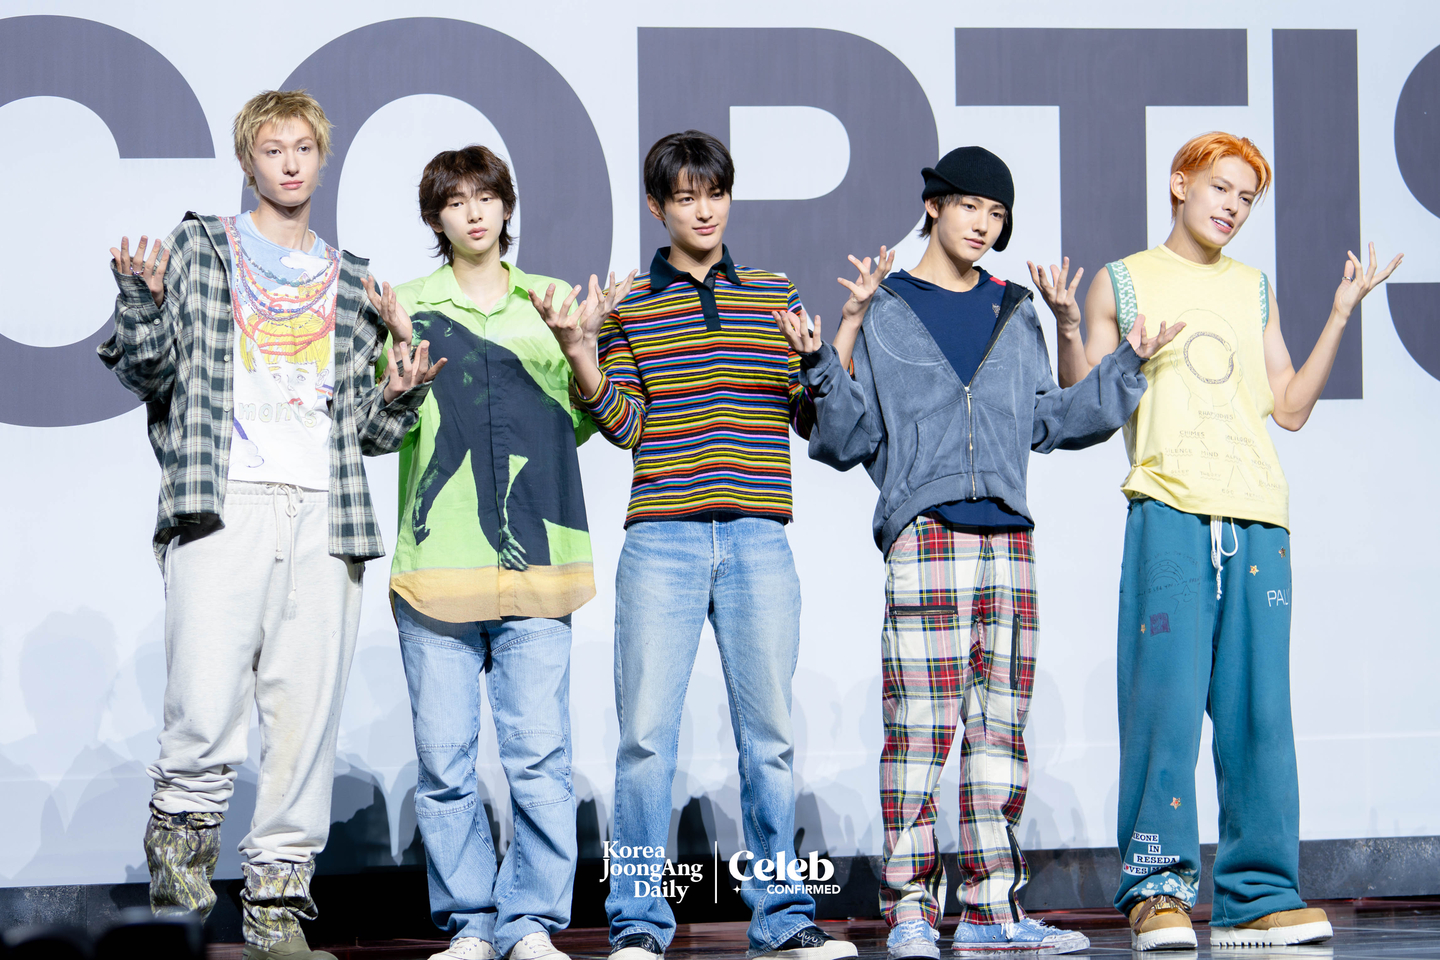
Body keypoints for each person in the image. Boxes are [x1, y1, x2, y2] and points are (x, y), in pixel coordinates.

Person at [784, 146, 1175, 958]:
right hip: (925, 533)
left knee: (999, 732)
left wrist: (1126, 361)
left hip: (1008, 538)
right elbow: (845, 437)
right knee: (919, 728)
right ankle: (910, 910)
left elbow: (1056, 420)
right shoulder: (888, 307)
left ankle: (993, 910)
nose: (983, 224)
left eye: (997, 214)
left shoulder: (1015, 309)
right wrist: (826, 352)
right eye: (969, 205)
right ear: (933, 205)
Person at [1030, 131, 1402, 951]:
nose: (1233, 206)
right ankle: (1156, 891)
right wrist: (1067, 324)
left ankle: (1257, 895)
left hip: (1260, 517)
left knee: (1260, 717)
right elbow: (1084, 407)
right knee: (1162, 710)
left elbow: (1289, 407)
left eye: (1247, 197)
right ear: (1180, 183)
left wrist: (1341, 313)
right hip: (1169, 510)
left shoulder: (1253, 288)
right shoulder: (1123, 280)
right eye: (1221, 187)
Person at [99, 89, 440, 960]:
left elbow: (367, 431)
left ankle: (276, 923)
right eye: (272, 149)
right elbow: (148, 373)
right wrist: (140, 304)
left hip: (325, 513)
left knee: (303, 727)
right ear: (248, 163)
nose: (290, 163)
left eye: (303, 148)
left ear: (321, 160)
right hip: (225, 505)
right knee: (201, 716)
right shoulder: (201, 247)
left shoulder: (353, 278)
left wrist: (400, 388)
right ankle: (178, 918)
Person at [531, 130, 855, 960]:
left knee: (769, 738)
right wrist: (580, 350)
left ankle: (781, 914)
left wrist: (823, 353)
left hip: (758, 536)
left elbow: (809, 417)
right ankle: (638, 922)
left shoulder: (774, 293)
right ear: (657, 207)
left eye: (715, 194)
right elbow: (624, 425)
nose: (704, 211)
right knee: (645, 740)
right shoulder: (632, 303)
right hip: (663, 538)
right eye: (685, 197)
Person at [363, 145, 631, 960]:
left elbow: (589, 427)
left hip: (538, 571)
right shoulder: (404, 305)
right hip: (437, 569)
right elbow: (382, 431)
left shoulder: (552, 301)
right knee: (445, 765)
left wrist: (583, 347)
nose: (474, 212)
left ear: (507, 207)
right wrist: (396, 363)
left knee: (540, 761)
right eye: (456, 201)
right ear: (435, 217)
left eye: (486, 196)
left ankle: (531, 922)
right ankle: (471, 923)